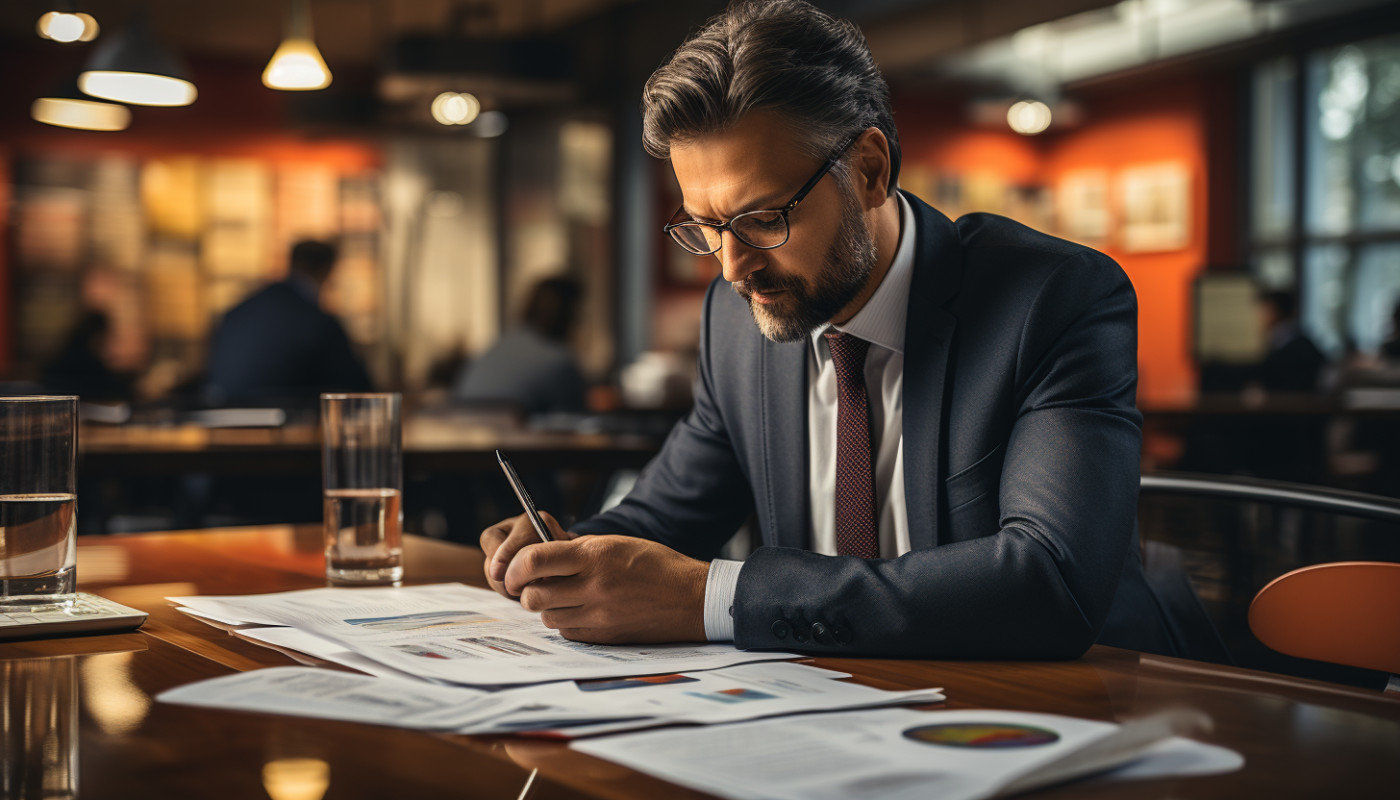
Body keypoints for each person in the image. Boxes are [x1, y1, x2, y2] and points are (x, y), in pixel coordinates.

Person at [481, 0, 1174, 660]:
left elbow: (1051, 581)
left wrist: (714, 598)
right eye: (707, 227)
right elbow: (663, 519)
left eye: (763, 219)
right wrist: (564, 551)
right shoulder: (735, 321)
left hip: (1085, 699)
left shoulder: (1052, 299)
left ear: (869, 170)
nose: (732, 267)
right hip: (832, 704)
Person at [205, 240, 373, 405]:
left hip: (221, 414)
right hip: (286, 416)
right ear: (327, 270)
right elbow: (358, 388)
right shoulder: (315, 321)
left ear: (291, 262)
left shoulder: (239, 312)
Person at [454, 276, 588, 415]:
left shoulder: (495, 348)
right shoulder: (558, 361)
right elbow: (575, 418)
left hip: (462, 425)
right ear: (569, 314)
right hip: (513, 428)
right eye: (579, 312)